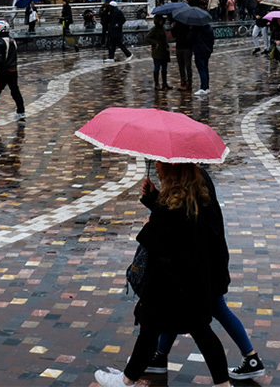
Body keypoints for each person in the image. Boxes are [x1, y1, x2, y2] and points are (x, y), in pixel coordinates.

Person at [93, 162, 233, 387]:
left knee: (150, 329)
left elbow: (159, 240)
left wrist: (148, 225)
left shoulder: (172, 206)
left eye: (160, 164)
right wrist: (153, 198)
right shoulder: (196, 192)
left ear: (170, 170)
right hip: (194, 280)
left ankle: (126, 381)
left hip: (169, 282)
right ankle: (224, 385)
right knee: (201, 332)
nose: (157, 166)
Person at [0, 21, 25, 120]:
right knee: (15, 91)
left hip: (3, 71)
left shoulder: (0, 42)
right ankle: (21, 110)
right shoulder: (12, 40)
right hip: (13, 70)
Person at [145, 15, 171, 91]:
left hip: (164, 51)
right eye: (159, 20)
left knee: (164, 68)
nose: (161, 22)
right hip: (157, 52)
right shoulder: (154, 29)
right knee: (157, 67)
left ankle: (164, 83)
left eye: (162, 20)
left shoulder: (162, 28)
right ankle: (157, 84)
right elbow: (147, 37)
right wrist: (155, 43)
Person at [191, 17, 215, 96]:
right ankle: (206, 87)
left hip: (199, 51)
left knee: (201, 69)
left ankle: (203, 87)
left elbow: (190, 38)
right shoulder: (209, 29)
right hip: (207, 51)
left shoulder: (196, 29)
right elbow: (212, 41)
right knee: (205, 68)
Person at [172, 17, 194, 92]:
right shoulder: (177, 24)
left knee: (187, 65)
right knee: (181, 65)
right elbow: (174, 35)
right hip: (180, 46)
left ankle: (189, 82)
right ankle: (183, 80)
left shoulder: (189, 24)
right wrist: (173, 27)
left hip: (187, 47)